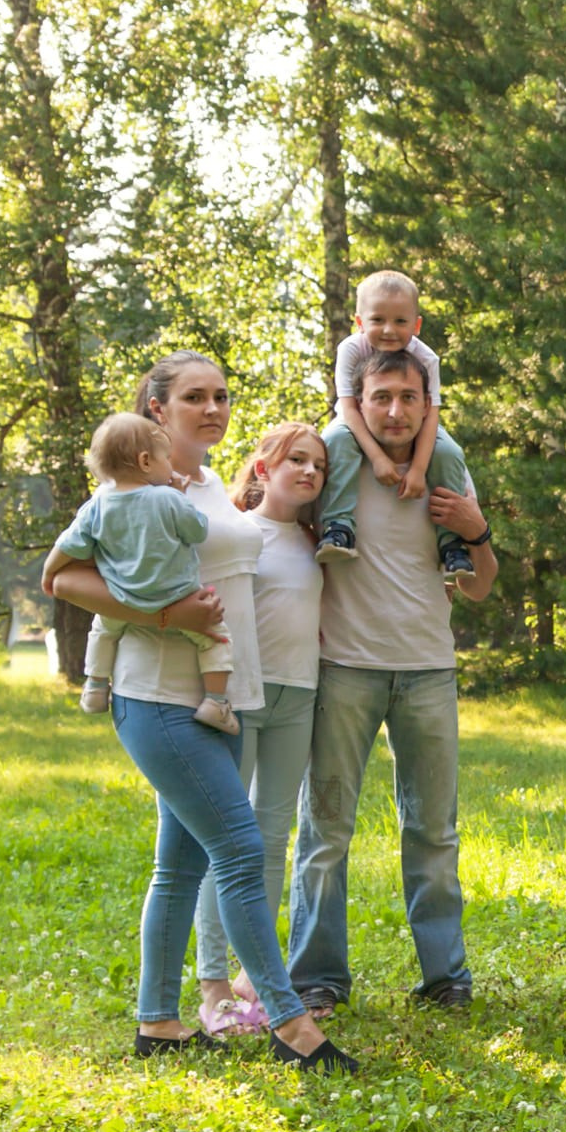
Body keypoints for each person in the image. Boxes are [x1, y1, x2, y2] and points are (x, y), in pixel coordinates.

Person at [42, 351, 355, 1071]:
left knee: (178, 865)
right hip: (157, 696)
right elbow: (60, 576)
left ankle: (158, 1021)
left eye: (220, 394)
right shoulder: (124, 487)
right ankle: (291, 1025)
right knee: (242, 850)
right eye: (193, 397)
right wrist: (160, 612)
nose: (212, 407)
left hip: (222, 698)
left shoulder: (209, 482)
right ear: (157, 408)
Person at [288, 349, 499, 1015]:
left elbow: (478, 586)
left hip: (428, 669)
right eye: (381, 396)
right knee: (326, 828)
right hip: (343, 668)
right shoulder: (330, 462)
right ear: (359, 399)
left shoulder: (444, 467)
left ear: (425, 401)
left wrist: (479, 531)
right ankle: (316, 976)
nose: (395, 411)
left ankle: (446, 978)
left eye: (409, 397)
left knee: (434, 831)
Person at [193, 422, 331, 1035]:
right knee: (228, 842)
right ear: (262, 468)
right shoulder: (234, 533)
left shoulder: (316, 539)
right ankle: (214, 985)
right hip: (239, 698)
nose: (308, 471)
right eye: (295, 460)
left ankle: (254, 978)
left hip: (299, 695)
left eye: (318, 465)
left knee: (274, 833)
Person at [45, 414, 239, 735]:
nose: (170, 466)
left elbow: (69, 545)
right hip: (177, 595)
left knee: (103, 630)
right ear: (145, 461)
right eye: (166, 458)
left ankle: (95, 686)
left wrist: (48, 572)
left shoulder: (99, 504)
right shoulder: (166, 498)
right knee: (216, 639)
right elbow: (197, 531)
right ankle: (216, 702)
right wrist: (180, 496)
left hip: (121, 597)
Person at [315, 270, 477, 579]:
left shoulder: (426, 358)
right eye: (378, 320)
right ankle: (339, 526)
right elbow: (348, 406)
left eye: (400, 322)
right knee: (335, 440)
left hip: (415, 423)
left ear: (416, 325)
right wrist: (376, 457)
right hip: (356, 419)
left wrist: (417, 469)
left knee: (449, 453)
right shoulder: (351, 349)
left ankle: (452, 544)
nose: (389, 330)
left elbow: (431, 414)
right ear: (360, 322)